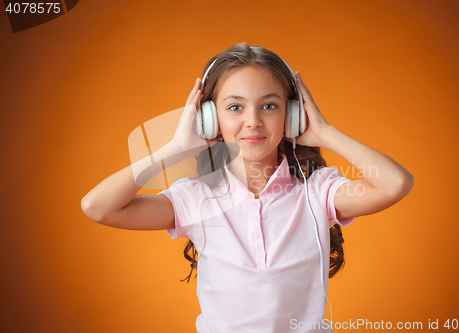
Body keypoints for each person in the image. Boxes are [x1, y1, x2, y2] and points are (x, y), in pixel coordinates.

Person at [81, 42, 414, 332]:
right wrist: (174, 148)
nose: (253, 120)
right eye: (235, 107)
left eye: (269, 105)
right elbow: (97, 206)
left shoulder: (318, 191)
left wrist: (325, 132)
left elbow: (395, 183)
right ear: (209, 119)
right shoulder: (196, 199)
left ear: (293, 115)